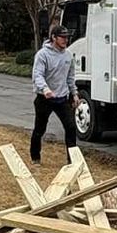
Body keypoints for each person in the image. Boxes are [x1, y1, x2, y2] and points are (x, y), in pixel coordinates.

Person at [30, 23, 77, 162]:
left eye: (66, 37)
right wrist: (45, 89)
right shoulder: (42, 55)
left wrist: (74, 94)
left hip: (62, 99)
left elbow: (70, 77)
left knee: (71, 127)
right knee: (40, 129)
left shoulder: (68, 55)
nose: (65, 40)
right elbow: (37, 74)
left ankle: (72, 160)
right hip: (44, 98)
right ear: (53, 38)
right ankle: (35, 157)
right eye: (62, 37)